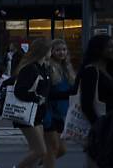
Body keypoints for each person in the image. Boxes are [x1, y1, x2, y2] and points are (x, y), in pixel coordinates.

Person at [78, 33, 113, 168]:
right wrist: (98, 126)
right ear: (99, 49)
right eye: (109, 47)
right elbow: (86, 104)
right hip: (101, 124)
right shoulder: (91, 71)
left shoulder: (112, 69)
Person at [11, 38, 51, 168]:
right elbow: (19, 91)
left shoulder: (43, 67)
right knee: (40, 150)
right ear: (44, 51)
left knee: (35, 151)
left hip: (37, 114)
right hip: (27, 113)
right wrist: (37, 98)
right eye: (50, 49)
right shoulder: (30, 69)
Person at [43, 39, 74, 168]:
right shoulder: (48, 66)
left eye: (64, 49)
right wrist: (68, 93)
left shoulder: (67, 67)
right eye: (58, 50)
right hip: (49, 111)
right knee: (54, 147)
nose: (62, 52)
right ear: (52, 51)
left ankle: (39, 162)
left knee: (62, 150)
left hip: (62, 112)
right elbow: (47, 93)